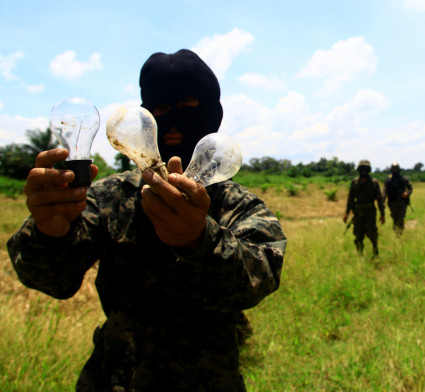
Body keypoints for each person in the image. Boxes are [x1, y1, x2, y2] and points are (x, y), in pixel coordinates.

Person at [7, 49, 287, 392]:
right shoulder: (109, 197)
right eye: (161, 109)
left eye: (188, 105)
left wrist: (199, 240)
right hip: (114, 380)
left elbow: (260, 276)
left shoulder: (236, 205)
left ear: (211, 114)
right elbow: (52, 280)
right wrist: (50, 231)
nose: (172, 123)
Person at [343, 160, 385, 256]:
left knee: (372, 233)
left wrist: (382, 214)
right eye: (362, 168)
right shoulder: (355, 183)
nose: (363, 171)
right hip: (358, 213)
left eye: (365, 169)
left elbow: (379, 200)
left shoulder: (374, 183)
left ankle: (375, 250)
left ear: (368, 170)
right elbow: (350, 199)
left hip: (370, 212)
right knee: (358, 234)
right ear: (358, 169)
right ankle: (360, 254)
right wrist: (346, 213)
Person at [382, 162, 412, 235]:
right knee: (395, 219)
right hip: (392, 203)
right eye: (393, 169)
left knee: (400, 218)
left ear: (398, 169)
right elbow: (385, 191)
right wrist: (383, 201)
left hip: (402, 202)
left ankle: (400, 234)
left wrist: (407, 193)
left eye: (396, 169)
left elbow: (410, 188)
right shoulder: (388, 180)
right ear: (391, 169)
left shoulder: (404, 178)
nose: (395, 170)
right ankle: (396, 233)